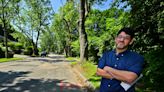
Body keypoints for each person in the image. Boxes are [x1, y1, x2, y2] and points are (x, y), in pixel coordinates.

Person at [96, 28, 144, 92]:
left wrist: (108, 69)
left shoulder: (137, 58)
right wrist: (123, 77)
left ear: (131, 41)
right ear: (116, 39)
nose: (122, 40)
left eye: (126, 38)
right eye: (120, 37)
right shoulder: (106, 55)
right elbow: (99, 72)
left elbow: (130, 78)